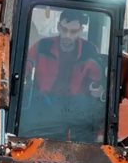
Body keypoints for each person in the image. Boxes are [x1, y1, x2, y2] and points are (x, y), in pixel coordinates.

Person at [22, 9, 107, 143]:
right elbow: (24, 69)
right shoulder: (42, 46)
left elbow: (97, 79)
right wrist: (24, 82)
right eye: (64, 29)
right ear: (58, 26)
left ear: (81, 30)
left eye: (73, 32)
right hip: (43, 107)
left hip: (76, 112)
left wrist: (98, 89)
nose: (67, 35)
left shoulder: (89, 51)